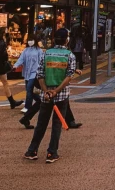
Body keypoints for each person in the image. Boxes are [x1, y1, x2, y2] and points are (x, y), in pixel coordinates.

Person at [24, 28, 76, 163]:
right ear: (66, 40)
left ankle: (32, 150)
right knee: (57, 124)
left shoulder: (45, 54)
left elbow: (39, 74)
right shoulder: (69, 55)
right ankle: (51, 153)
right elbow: (69, 76)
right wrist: (56, 91)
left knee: (41, 123)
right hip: (61, 95)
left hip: (46, 95)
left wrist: (46, 90)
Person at [13, 35, 43, 114]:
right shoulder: (26, 50)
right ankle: (41, 101)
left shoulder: (39, 51)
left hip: (35, 73)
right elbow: (21, 59)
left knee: (29, 89)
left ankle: (27, 107)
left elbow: (41, 62)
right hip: (27, 73)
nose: (30, 42)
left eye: (31, 40)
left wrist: (40, 72)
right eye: (29, 40)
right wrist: (16, 65)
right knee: (29, 91)